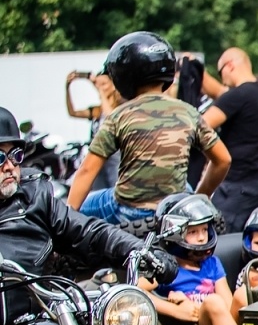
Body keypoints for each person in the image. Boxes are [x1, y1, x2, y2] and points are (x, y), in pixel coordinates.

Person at [0, 108, 169, 315]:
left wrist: (141, 251)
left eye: (15, 155)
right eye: (0, 157)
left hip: (43, 318)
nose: (9, 166)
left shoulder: (34, 196)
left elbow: (88, 231)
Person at [67, 32, 232, 228]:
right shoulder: (188, 112)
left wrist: (68, 216)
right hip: (174, 206)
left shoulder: (119, 116)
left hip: (128, 208)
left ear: (122, 74)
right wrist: (199, 197)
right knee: (185, 187)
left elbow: (86, 171)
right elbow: (223, 160)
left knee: (79, 207)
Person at [141, 193, 244, 325]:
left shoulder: (212, 264)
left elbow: (228, 305)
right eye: (193, 232)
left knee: (241, 295)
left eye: (204, 230)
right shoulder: (165, 267)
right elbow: (136, 291)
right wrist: (174, 309)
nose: (202, 238)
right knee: (213, 302)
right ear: (173, 235)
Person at [198, 48, 258, 232]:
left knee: (221, 239)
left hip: (235, 186)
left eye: (220, 71)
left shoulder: (238, 95)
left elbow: (200, 126)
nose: (222, 78)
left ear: (230, 65)